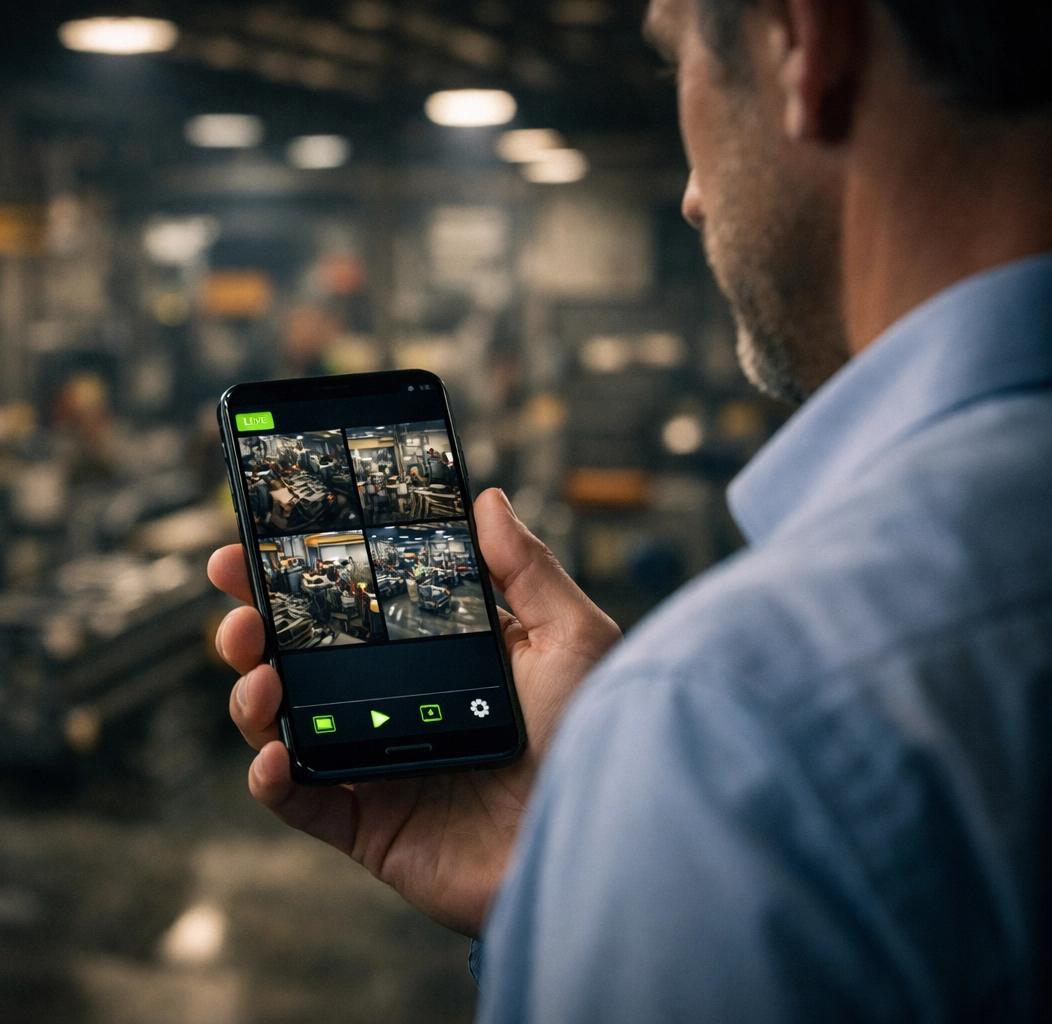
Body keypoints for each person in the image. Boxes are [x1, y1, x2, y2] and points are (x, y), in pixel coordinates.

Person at [209, 0, 1052, 1018]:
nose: (693, 197)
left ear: (804, 44)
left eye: (679, 64)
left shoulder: (737, 721)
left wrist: (643, 808)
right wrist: (573, 863)